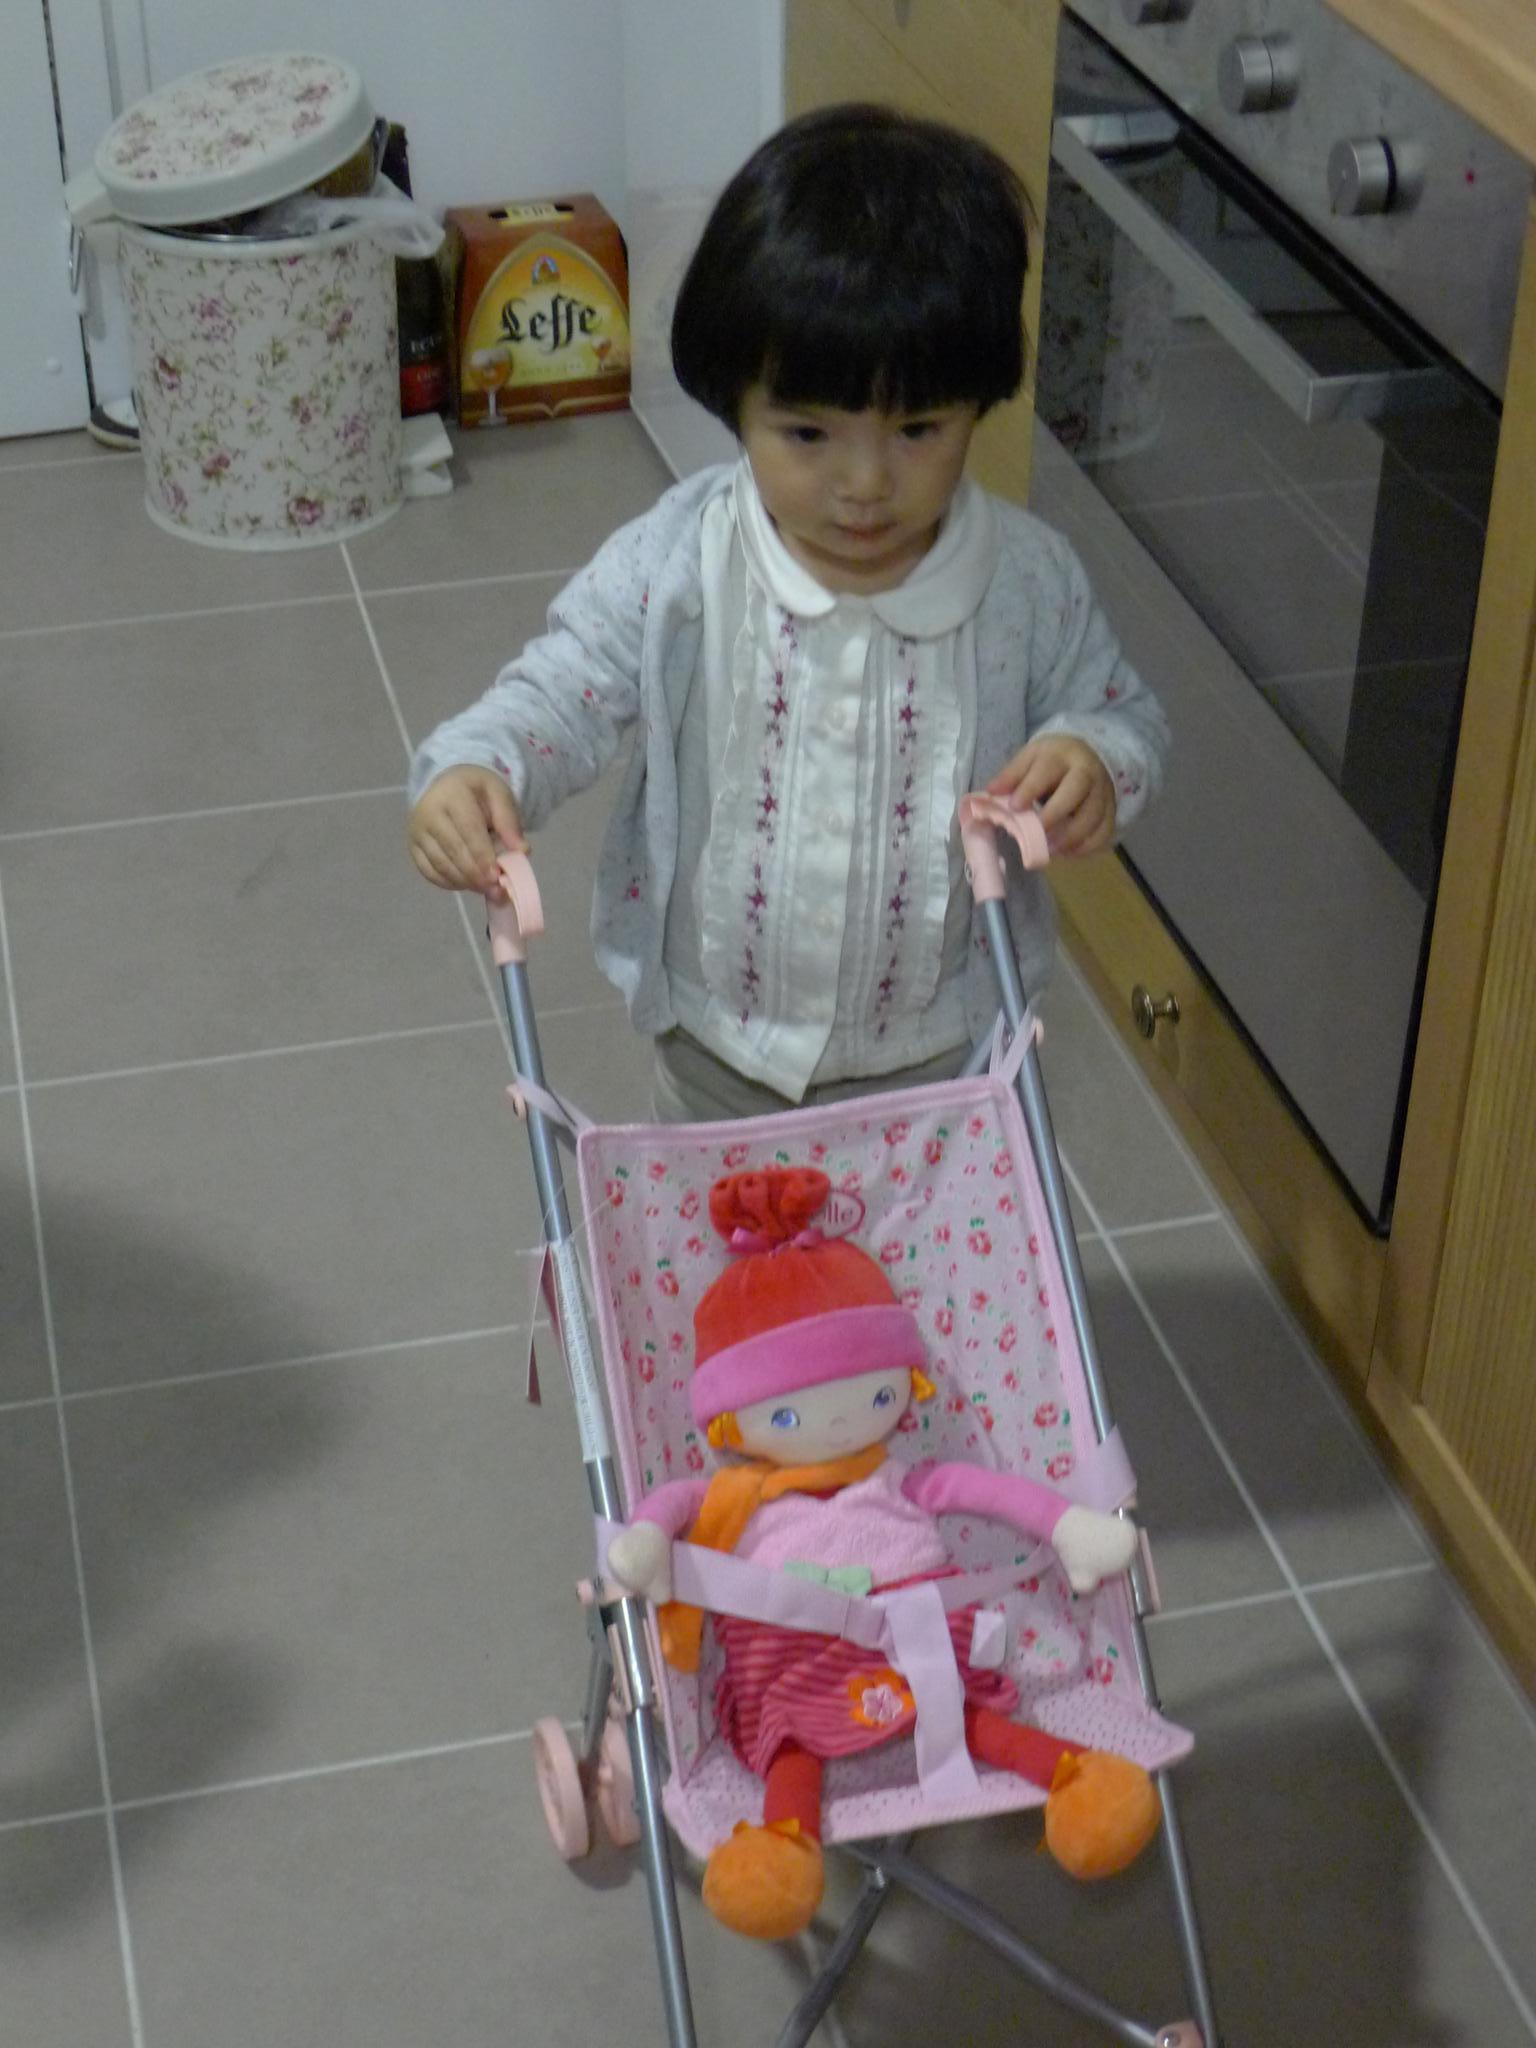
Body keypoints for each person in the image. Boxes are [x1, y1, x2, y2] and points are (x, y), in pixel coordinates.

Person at [406, 103, 1168, 1122]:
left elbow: (1124, 715)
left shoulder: (1028, 582)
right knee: (724, 1232)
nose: (865, 483)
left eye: (918, 429)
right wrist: (478, 765)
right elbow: (561, 687)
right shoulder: (681, 561)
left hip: (947, 1057)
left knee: (923, 1238)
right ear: (735, 402)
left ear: (979, 404)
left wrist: (1094, 759)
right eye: (808, 434)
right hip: (719, 1045)